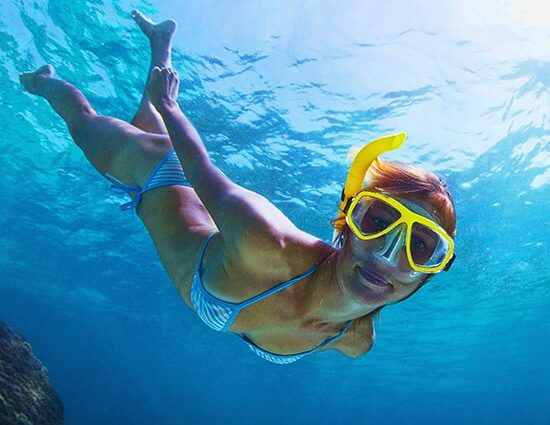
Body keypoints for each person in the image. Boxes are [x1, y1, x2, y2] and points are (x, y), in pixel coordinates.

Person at [19, 11, 456, 364]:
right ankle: (43, 82)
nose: (387, 254)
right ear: (345, 224)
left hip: (194, 215)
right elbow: (200, 169)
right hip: (158, 172)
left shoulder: (355, 340)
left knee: (140, 124)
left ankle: (160, 46)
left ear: (430, 274)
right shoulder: (266, 241)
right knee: (84, 126)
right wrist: (169, 106)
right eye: (377, 222)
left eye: (422, 247)